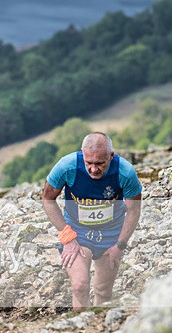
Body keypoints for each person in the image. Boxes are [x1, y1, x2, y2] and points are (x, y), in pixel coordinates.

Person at [42, 132, 142, 310]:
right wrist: (68, 237)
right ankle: (80, 328)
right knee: (79, 286)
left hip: (111, 233)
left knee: (103, 290)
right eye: (89, 163)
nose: (94, 169)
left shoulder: (125, 172)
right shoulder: (67, 166)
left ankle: (99, 330)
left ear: (111, 156)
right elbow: (48, 199)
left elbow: (134, 210)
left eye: (100, 164)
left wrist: (120, 245)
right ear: (82, 154)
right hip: (77, 232)